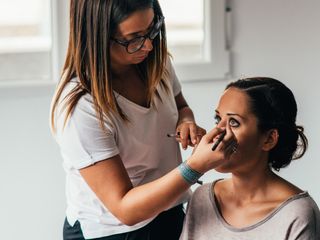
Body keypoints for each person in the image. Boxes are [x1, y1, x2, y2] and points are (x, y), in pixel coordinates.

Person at [50, 0, 236, 239]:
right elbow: (125, 209)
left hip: (168, 209)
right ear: (97, 36)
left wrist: (185, 122)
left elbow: (181, 107)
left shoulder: (156, 62)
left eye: (152, 29)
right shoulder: (80, 106)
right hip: (114, 231)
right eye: (135, 37)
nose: (148, 45)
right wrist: (196, 166)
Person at [179, 77, 320, 240]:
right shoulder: (202, 197)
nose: (217, 132)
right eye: (218, 119)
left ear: (269, 139)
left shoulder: (297, 214)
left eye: (234, 122)